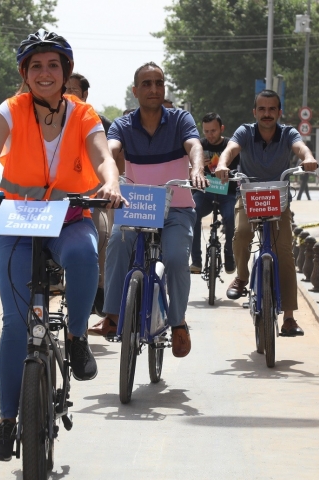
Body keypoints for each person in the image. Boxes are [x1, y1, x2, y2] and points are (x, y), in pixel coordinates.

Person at [0, 30, 124, 462]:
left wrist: (112, 183)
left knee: (85, 255)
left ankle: (78, 335)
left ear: (65, 71)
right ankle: (8, 422)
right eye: (36, 66)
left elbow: (102, 156)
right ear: (24, 74)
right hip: (19, 220)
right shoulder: (10, 110)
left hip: (68, 217)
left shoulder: (84, 114)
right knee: (14, 324)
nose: (44, 74)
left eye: (53, 65)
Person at [90, 61, 208, 357]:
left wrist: (197, 168)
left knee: (178, 258)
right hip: (137, 206)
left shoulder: (180, 119)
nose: (153, 89)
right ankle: (114, 314)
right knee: (116, 242)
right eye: (146, 84)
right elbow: (111, 150)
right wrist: (109, 180)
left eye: (159, 83)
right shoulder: (123, 124)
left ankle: (178, 321)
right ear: (135, 91)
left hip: (176, 208)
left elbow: (194, 145)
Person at [214, 89, 318, 337]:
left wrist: (309, 158)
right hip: (249, 198)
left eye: (272, 109)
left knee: (285, 253)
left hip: (278, 201)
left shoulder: (287, 133)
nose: (267, 114)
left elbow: (301, 148)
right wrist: (221, 164)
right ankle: (241, 277)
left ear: (279, 112)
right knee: (240, 233)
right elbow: (230, 149)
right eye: (262, 109)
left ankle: (290, 318)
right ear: (255, 112)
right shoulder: (245, 132)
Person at [66, 72, 112, 315]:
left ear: (84, 95)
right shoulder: (50, 118)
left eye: (74, 90)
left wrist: (109, 185)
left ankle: (101, 287)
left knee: (102, 235)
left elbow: (110, 160)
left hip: (92, 197)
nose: (68, 94)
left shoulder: (100, 124)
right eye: (66, 89)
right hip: (57, 199)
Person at [190, 112, 239, 275]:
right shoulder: (199, 146)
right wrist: (197, 166)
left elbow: (240, 170)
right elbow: (189, 170)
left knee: (231, 218)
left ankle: (229, 254)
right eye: (206, 131)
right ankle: (196, 260)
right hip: (205, 192)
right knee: (193, 213)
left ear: (221, 129)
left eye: (214, 131)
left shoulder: (231, 146)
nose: (210, 135)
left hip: (227, 193)